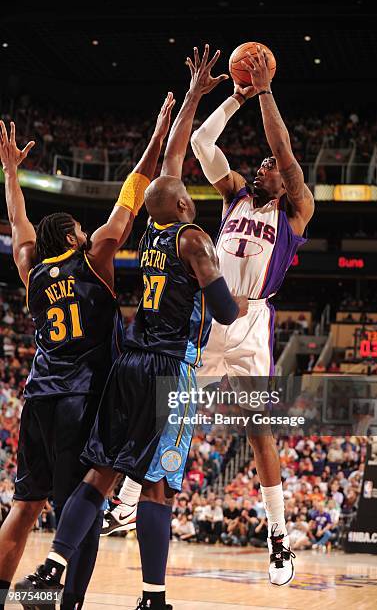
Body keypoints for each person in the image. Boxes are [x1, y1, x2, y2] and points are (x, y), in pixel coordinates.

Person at [16, 45, 248, 610]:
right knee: (158, 485)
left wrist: (194, 96)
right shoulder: (195, 241)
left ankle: (53, 564)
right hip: (170, 370)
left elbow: (169, 165)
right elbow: (223, 313)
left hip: (126, 366)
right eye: (190, 198)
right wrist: (238, 296)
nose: (191, 197)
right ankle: (152, 597)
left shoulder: (147, 233)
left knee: (99, 474)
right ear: (185, 209)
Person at [0, 93, 175, 610]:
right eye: (80, 228)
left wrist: (11, 173)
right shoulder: (94, 257)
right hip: (81, 399)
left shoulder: (31, 268)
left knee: (24, 508)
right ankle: (68, 600)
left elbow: (18, 225)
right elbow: (132, 195)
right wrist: (158, 134)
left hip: (37, 400)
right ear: (75, 237)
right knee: (84, 504)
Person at [189, 45, 314, 585]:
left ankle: (279, 537)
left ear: (287, 180)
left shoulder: (296, 211)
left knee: (260, 431)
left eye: (271, 166)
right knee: (175, 405)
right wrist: (234, 100)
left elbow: (282, 146)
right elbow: (200, 142)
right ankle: (124, 496)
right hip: (214, 311)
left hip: (254, 324)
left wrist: (264, 92)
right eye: (260, 164)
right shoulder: (234, 195)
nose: (263, 167)